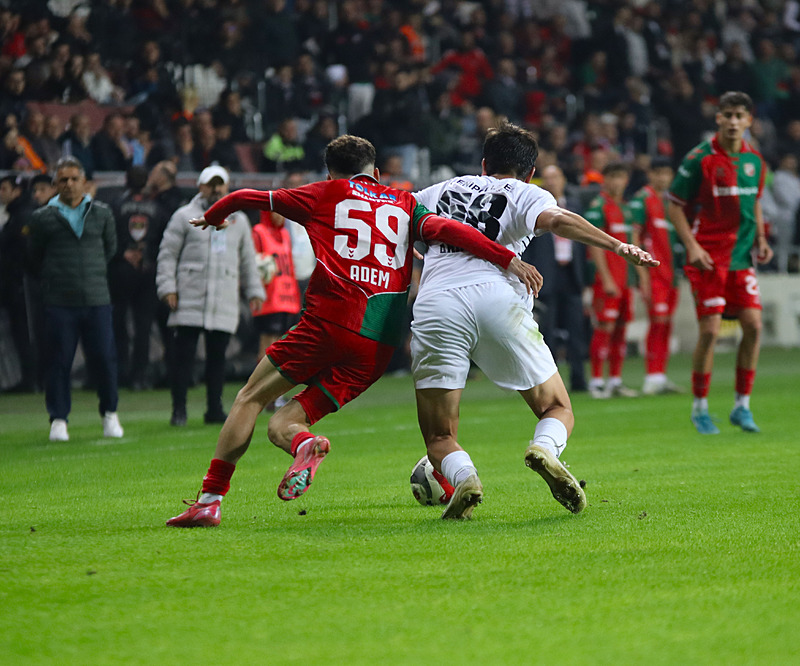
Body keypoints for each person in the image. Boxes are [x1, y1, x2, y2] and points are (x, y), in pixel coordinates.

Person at [166, 134, 541, 527]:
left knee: (249, 398)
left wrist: (213, 216)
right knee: (282, 424)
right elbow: (453, 231)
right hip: (377, 348)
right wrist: (507, 260)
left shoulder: (324, 193)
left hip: (327, 325)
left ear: (330, 172)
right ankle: (303, 442)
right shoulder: (404, 202)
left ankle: (209, 500)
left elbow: (244, 196)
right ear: (376, 173)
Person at [411, 123, 657, 520]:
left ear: (484, 162)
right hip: (497, 299)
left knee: (440, 436)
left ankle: (466, 478)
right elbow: (559, 220)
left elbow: (393, 223)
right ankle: (543, 448)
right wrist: (617, 245)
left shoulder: (439, 189)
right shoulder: (528, 192)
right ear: (529, 171)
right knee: (557, 407)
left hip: (437, 305)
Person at [667, 91, 773, 435]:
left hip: (741, 257)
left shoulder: (755, 161)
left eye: (739, 115)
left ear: (749, 120)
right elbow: (675, 205)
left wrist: (760, 238)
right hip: (708, 257)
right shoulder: (699, 158)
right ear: (718, 119)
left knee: (754, 326)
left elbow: (754, 201)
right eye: (727, 114)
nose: (732, 121)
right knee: (711, 331)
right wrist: (692, 246)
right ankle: (700, 408)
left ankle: (742, 406)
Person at [156, 166, 265, 427]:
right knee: (183, 359)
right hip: (188, 297)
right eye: (210, 185)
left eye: (220, 185)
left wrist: (255, 290)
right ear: (200, 186)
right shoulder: (183, 216)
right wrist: (167, 287)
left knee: (217, 360)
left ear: (227, 187)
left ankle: (214, 409)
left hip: (223, 298)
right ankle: (179, 410)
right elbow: (167, 254)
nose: (216, 190)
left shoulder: (238, 221)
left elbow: (248, 261)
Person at [26, 157, 124, 442]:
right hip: (59, 301)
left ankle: (110, 414)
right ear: (55, 184)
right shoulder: (42, 217)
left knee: (105, 359)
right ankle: (58, 419)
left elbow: (110, 250)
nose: (69, 184)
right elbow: (33, 259)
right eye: (63, 180)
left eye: (73, 179)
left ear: (84, 182)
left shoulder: (102, 213)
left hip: (97, 298)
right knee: (58, 362)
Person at [524, 164, 589, 393]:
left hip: (571, 274)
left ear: (563, 180)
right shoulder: (537, 209)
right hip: (546, 275)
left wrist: (585, 277)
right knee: (547, 332)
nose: (552, 182)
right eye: (547, 178)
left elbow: (582, 245)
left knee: (576, 331)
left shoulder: (573, 206)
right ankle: (550, 385)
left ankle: (579, 381)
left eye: (555, 177)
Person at [586, 162, 644, 399]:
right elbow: (595, 246)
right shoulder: (599, 206)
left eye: (621, 177)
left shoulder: (626, 209)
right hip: (607, 279)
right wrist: (606, 278)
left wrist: (638, 278)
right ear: (605, 180)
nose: (617, 182)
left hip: (625, 280)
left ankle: (615, 381)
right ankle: (597, 381)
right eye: (612, 177)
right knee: (604, 327)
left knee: (621, 329)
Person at [109, 165, 169, 389]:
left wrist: (123, 253)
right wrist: (148, 255)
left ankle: (119, 373)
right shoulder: (157, 207)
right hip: (147, 270)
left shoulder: (115, 206)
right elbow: (166, 240)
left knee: (119, 324)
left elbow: (106, 237)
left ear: (126, 179)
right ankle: (139, 376)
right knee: (143, 326)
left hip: (121, 270)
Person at [628, 156, 682, 395]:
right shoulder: (642, 199)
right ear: (650, 174)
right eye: (657, 172)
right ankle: (651, 375)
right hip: (654, 275)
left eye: (666, 173)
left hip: (671, 275)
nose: (662, 177)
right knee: (657, 322)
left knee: (667, 323)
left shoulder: (670, 202)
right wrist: (642, 276)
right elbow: (634, 237)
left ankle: (660, 376)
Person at [0, 174, 38, 391]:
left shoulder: (22, 216)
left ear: (16, 191)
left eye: (4, 188)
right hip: (18, 283)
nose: (1, 193)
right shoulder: (16, 215)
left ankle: (31, 378)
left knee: (26, 332)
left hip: (22, 285)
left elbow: (24, 252)